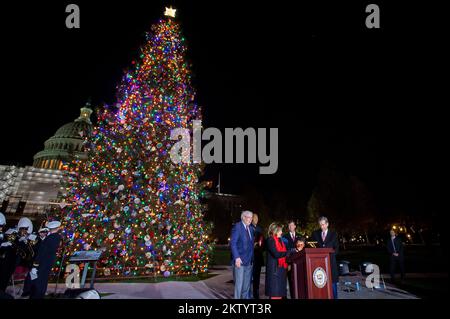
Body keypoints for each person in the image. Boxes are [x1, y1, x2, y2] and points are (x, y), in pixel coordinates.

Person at [30, 220, 62, 299]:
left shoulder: (49, 238)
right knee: (43, 282)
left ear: (50, 229)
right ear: (57, 228)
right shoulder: (57, 237)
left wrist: (35, 265)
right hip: (48, 262)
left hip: (42, 263)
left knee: (38, 283)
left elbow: (42, 253)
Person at [312, 216, 339, 299]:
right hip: (319, 264)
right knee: (321, 284)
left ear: (327, 224)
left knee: (332, 284)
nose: (322, 227)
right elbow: (312, 245)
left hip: (331, 263)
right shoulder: (315, 234)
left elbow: (336, 249)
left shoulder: (333, 234)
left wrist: (328, 257)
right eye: (320, 225)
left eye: (323, 224)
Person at [230, 211, 254, 299]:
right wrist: (236, 257)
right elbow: (233, 243)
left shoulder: (250, 228)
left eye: (251, 218)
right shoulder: (237, 227)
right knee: (239, 286)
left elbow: (250, 245)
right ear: (243, 217)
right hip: (239, 261)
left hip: (249, 261)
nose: (251, 219)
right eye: (249, 217)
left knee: (246, 287)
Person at [21, 227, 49, 298]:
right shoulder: (36, 239)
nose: (43, 233)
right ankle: (27, 290)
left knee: (38, 277)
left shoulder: (47, 240)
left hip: (42, 261)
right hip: (34, 260)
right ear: (40, 233)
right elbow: (31, 249)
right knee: (31, 276)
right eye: (42, 232)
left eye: (45, 232)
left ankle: (35, 290)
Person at [265, 223, 288, 299]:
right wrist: (288, 252)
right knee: (275, 294)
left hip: (280, 270)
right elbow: (276, 254)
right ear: (275, 231)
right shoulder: (270, 240)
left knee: (279, 294)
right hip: (274, 272)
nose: (281, 232)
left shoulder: (279, 240)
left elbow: (283, 253)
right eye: (280, 230)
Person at [250, 213, 264, 299]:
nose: (256, 219)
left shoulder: (259, 229)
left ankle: (256, 294)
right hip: (251, 256)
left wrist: (260, 245)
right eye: (255, 218)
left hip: (258, 256)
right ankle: (247, 294)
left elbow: (262, 241)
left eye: (257, 218)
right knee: (248, 278)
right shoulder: (249, 227)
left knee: (257, 277)